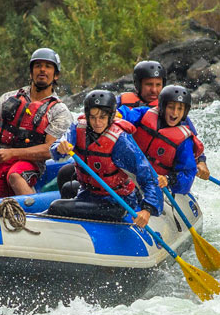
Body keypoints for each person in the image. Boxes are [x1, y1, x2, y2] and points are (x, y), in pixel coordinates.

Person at [49, 90, 163, 227]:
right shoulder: (77, 128)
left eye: (102, 117)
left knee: (57, 206)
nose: (97, 122)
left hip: (118, 201)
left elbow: (147, 176)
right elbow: (56, 150)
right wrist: (59, 148)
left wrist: (147, 209)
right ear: (86, 115)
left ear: (111, 116)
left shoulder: (120, 141)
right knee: (67, 186)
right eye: (92, 117)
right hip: (90, 193)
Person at [0, 47, 73, 200]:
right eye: (38, 65)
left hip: (30, 164)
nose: (42, 70)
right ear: (31, 71)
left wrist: (12, 153)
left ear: (56, 75)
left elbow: (49, 150)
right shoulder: (8, 98)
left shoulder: (60, 111)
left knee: (15, 175)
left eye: (48, 66)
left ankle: (34, 214)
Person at [117, 60, 210, 180]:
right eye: (149, 84)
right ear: (138, 84)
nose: (154, 90)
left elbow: (192, 142)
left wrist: (201, 161)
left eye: (158, 85)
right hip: (126, 162)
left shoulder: (175, 114)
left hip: (158, 171)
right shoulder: (122, 103)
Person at [118, 85, 199, 194]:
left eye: (180, 109)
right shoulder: (145, 113)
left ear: (185, 112)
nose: (175, 113)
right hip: (129, 173)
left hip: (154, 183)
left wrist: (168, 179)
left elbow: (188, 173)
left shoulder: (184, 141)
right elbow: (127, 114)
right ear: (162, 106)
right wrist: (117, 115)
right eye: (171, 107)